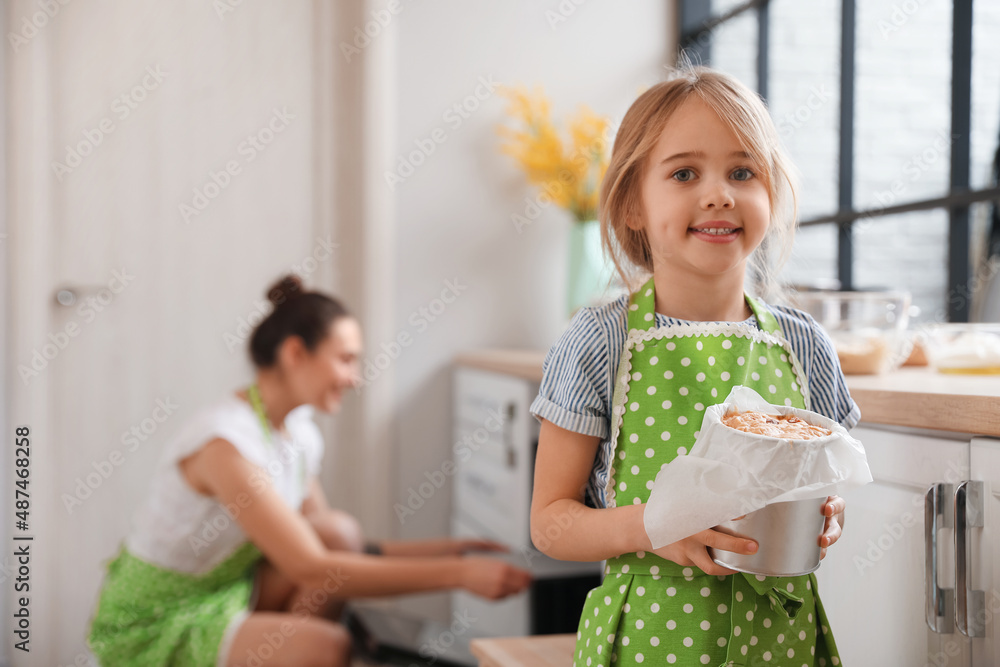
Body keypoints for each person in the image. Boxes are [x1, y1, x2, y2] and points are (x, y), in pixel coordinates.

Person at [528, 66, 860, 666]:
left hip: (780, 645)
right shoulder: (600, 341)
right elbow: (551, 525)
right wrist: (656, 525)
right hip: (650, 644)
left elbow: (822, 490)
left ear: (772, 194)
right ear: (631, 203)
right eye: (685, 173)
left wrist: (829, 517)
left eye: (742, 172)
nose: (718, 194)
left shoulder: (804, 344)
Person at [87, 275, 532, 667]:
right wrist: (459, 576)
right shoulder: (226, 444)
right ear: (295, 352)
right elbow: (314, 569)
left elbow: (336, 547)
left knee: (337, 530)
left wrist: (451, 551)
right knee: (327, 648)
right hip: (160, 615)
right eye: (345, 359)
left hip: (227, 588)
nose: (355, 377)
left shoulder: (296, 432)